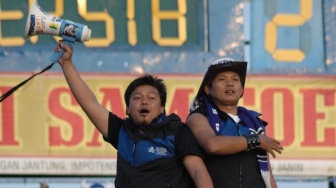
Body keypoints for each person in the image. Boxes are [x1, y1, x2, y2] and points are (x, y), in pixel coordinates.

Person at [54, 40, 213, 188]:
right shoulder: (121, 132)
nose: (144, 101)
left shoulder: (177, 132)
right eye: (137, 98)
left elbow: (198, 171)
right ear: (127, 109)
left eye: (151, 98)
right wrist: (67, 64)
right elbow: (90, 104)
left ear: (162, 108)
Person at [186, 57, 284, 188]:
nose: (230, 83)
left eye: (235, 79)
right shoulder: (198, 117)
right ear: (208, 89)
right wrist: (256, 140)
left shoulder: (254, 122)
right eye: (222, 79)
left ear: (242, 90)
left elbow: (267, 173)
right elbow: (212, 144)